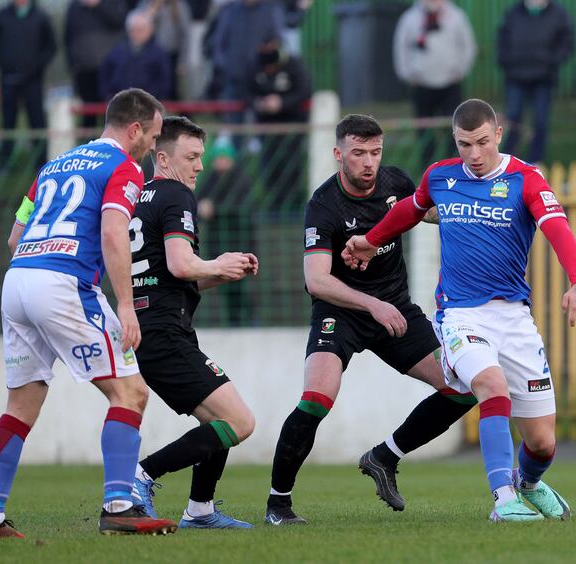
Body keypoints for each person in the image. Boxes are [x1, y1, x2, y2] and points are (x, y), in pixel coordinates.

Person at [343, 99, 576, 522]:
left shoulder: (527, 179)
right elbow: (410, 209)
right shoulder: (440, 175)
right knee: (490, 386)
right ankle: (504, 501)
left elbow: (558, 228)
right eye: (465, 145)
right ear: (455, 141)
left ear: (498, 134)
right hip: (460, 315)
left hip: (514, 317)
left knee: (542, 443)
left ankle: (528, 484)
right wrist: (370, 240)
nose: (474, 155)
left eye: (482, 142)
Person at [0, 88, 177, 538]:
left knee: (21, 405)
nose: (153, 147)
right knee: (131, 392)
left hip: (19, 279)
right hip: (63, 283)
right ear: (135, 129)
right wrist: (125, 304)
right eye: (153, 136)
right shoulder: (124, 167)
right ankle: (120, 506)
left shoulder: (52, 166)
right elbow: (112, 230)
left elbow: (13, 237)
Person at [265, 114, 477, 526]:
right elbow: (317, 281)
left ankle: (384, 457)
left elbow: (427, 213)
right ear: (338, 153)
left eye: (375, 153)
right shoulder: (323, 206)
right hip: (341, 314)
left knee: (463, 387)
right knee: (316, 397)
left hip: (395, 309)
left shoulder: (395, 183)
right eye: (358, 153)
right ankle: (278, 503)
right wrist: (372, 305)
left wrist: (464, 213)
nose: (368, 163)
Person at [129, 116, 258, 529]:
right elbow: (181, 264)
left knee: (215, 420)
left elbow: (172, 277)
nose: (200, 166)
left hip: (151, 327)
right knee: (239, 422)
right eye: (192, 156)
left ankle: (200, 509)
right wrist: (216, 262)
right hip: (164, 333)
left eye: (201, 157)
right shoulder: (175, 195)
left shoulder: (137, 197)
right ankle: (141, 476)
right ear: (162, 158)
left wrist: (220, 273)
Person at [393, 0, 477, 165]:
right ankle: (428, 172)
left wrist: (460, 71)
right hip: (421, 85)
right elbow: (400, 48)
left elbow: (468, 46)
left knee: (454, 131)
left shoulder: (457, 17)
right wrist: (408, 75)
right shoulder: (409, 18)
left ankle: (455, 169)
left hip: (450, 85)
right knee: (424, 132)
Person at [0, 0, 57, 172]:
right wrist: (2, 62)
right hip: (8, 79)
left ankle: (42, 163)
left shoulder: (41, 16)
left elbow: (51, 46)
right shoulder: (1, 16)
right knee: (8, 123)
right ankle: (4, 162)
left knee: (37, 122)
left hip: (33, 81)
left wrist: (37, 66)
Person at [497, 0, 574, 164]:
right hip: (516, 76)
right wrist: (507, 61)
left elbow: (567, 42)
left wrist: (551, 61)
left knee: (540, 121)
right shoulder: (514, 12)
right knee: (513, 119)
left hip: (543, 78)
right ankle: (507, 161)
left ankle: (535, 162)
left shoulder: (558, 14)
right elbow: (502, 38)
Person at [247, 37, 312, 209]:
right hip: (267, 128)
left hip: (292, 126)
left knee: (292, 167)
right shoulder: (254, 65)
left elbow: (305, 90)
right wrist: (258, 103)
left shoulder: (294, 65)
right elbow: (245, 91)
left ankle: (294, 207)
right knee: (269, 168)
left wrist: (282, 102)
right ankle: (274, 207)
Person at [197, 136, 256, 326]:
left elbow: (239, 207)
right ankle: (234, 319)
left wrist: (214, 208)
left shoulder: (241, 179)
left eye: (224, 158)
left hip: (240, 238)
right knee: (224, 283)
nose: (221, 162)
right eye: (218, 158)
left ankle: (246, 317)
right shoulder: (210, 179)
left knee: (241, 282)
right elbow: (199, 202)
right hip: (219, 241)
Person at [65, 0, 129, 128]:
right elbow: (68, 38)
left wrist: (98, 6)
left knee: (113, 112)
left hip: (111, 70)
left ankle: (110, 146)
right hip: (83, 69)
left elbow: (119, 21)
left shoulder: (114, 4)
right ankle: (88, 145)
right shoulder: (74, 6)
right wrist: (72, 64)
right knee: (88, 113)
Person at [99, 10, 173, 102]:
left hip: (148, 105)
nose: (136, 33)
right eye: (133, 29)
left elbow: (164, 82)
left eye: (140, 29)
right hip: (120, 105)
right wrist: (109, 97)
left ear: (150, 29)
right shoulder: (116, 52)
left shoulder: (159, 54)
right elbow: (105, 76)